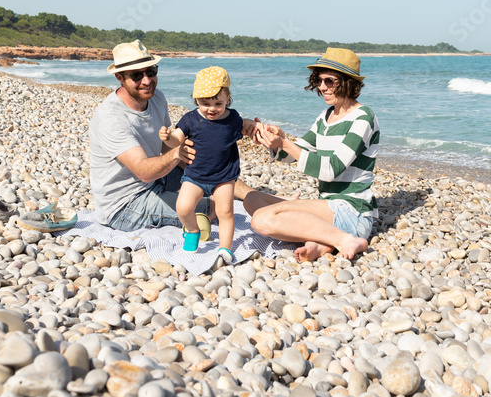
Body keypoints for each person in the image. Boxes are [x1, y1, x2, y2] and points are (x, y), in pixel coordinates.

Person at [88, 40, 250, 233]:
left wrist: (208, 169)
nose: (147, 81)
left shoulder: (156, 98)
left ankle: (254, 196)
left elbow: (167, 149)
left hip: (156, 179)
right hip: (125, 204)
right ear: (119, 77)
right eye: (137, 76)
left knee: (217, 176)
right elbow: (144, 171)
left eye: (151, 72)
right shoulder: (111, 117)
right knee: (216, 208)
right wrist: (177, 154)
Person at [245, 48, 378, 261]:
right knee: (252, 198)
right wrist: (274, 139)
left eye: (329, 81)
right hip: (327, 207)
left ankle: (345, 240)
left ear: (348, 82)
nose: (322, 87)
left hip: (352, 212)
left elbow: (330, 169)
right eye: (319, 80)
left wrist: (285, 143)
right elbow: (293, 155)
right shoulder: (326, 116)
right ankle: (320, 243)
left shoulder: (363, 118)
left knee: (261, 219)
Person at [160, 66, 258, 266]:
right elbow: (177, 139)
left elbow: (244, 126)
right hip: (195, 176)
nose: (212, 108)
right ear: (196, 99)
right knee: (183, 207)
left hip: (224, 177)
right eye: (205, 103)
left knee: (225, 212)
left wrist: (256, 127)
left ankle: (225, 248)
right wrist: (168, 137)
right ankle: (193, 230)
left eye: (218, 103)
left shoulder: (232, 119)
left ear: (227, 97)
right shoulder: (190, 119)